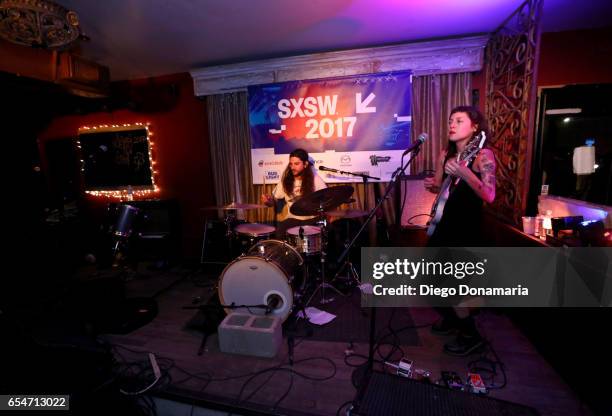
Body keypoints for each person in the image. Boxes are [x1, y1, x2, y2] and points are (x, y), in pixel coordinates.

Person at [423, 105, 496, 356]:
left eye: (459, 120)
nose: (452, 124)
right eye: (450, 120)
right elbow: (442, 188)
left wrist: (465, 172)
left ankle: (470, 334)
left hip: (465, 228)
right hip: (443, 225)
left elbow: (489, 194)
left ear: (475, 127)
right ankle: (453, 320)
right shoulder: (446, 153)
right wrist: (433, 185)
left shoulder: (482, 156)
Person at [261, 148, 327, 238]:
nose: (292, 167)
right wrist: (268, 201)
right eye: (291, 164)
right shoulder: (285, 181)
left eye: (296, 164)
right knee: (279, 234)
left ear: (305, 164)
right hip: (293, 219)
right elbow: (273, 201)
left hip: (312, 220)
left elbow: (327, 201)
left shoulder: (316, 180)